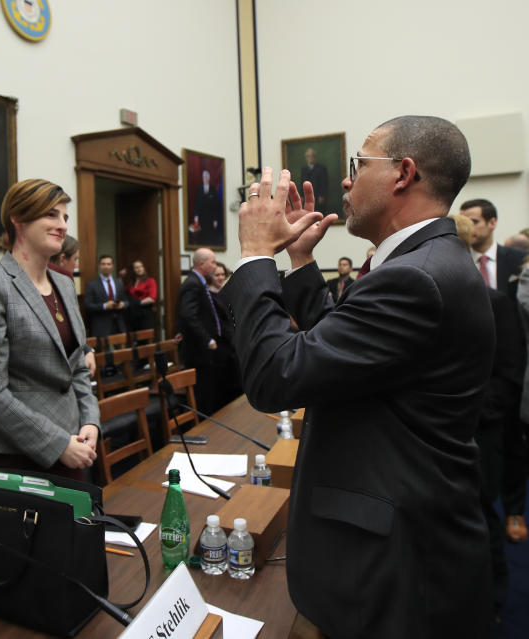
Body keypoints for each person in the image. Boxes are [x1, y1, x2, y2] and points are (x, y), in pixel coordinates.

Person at [220, 115, 493, 637]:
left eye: (358, 164)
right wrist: (301, 264)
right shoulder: (425, 262)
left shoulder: (414, 276)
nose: (346, 180)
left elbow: (277, 376)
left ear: (402, 174)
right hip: (403, 531)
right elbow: (346, 362)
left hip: (398, 561)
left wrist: (255, 255)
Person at [0, 179, 100, 481]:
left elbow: (76, 368)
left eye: (64, 217)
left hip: (73, 448)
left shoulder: (63, 283)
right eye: (50, 215)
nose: (62, 225)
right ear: (18, 219)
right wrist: (57, 443)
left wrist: (90, 422)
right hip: (16, 458)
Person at [450, 212, 519, 615]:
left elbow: (508, 378)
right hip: (441, 437)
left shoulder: (497, 303)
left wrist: (465, 415)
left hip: (480, 432)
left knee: (481, 515)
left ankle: (491, 601)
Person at [0, 233, 95, 396]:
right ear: (62, 259)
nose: (76, 265)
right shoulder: (23, 275)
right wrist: (85, 349)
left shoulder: (59, 280)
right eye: (75, 259)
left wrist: (85, 349)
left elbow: (66, 326)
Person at [460, 198, 529, 543]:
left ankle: (515, 509)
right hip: (478, 369)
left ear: (492, 223)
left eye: (475, 220)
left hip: (514, 361)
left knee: (514, 441)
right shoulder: (458, 263)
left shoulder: (517, 261)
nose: (470, 227)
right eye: (465, 221)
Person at [177, 248, 239, 415]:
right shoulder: (192, 283)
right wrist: (207, 340)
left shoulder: (198, 282)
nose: (214, 266)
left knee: (213, 391)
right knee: (204, 395)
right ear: (202, 264)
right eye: (212, 262)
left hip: (207, 350)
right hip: (199, 351)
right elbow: (187, 314)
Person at [84, 255, 129, 337]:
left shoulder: (119, 283)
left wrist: (123, 304)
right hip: (101, 326)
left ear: (112, 266)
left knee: (122, 349)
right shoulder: (92, 285)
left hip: (119, 325)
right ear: (99, 266)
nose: (106, 266)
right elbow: (88, 306)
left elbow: (126, 301)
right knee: (104, 350)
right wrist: (104, 306)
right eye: (103, 264)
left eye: (108, 264)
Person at [189, 169, 223, 247]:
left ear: (209, 178)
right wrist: (196, 216)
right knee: (201, 235)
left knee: (210, 236)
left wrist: (215, 219)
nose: (205, 178)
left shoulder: (213, 190)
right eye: (204, 177)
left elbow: (216, 206)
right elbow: (197, 203)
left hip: (211, 218)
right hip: (201, 217)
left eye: (207, 177)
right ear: (202, 178)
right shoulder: (199, 189)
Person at [127, 259, 157, 331]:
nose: (139, 269)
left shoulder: (150, 281)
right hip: (133, 313)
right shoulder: (131, 282)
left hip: (145, 312)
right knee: (134, 338)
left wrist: (137, 303)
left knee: (146, 337)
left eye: (141, 266)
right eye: (136, 267)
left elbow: (152, 298)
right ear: (133, 270)